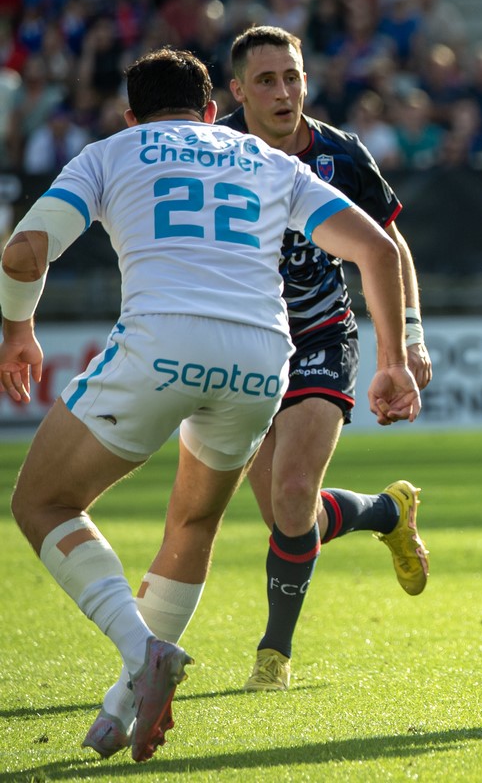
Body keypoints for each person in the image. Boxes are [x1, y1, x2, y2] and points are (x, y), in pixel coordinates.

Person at [4, 47, 420, 762]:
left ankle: (143, 654)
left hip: (160, 344)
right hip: (261, 359)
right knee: (192, 521)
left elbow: (24, 253)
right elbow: (379, 252)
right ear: (210, 111)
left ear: (131, 116)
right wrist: (394, 361)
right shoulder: (268, 160)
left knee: (42, 503)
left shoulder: (111, 153)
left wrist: (18, 330)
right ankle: (123, 709)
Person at [220, 25, 434, 691]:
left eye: (294, 77)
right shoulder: (213, 153)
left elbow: (388, 247)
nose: (284, 93)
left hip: (320, 335)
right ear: (237, 91)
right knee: (293, 519)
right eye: (266, 80)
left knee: (290, 496)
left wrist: (408, 335)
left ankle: (273, 655)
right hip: (243, 346)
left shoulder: (341, 153)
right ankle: (385, 513)